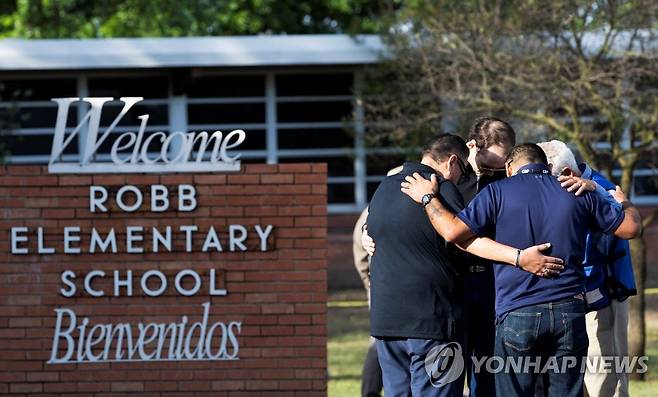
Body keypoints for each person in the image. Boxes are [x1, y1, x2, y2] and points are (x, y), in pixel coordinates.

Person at [399, 143, 642, 397]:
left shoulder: (496, 192)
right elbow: (631, 229)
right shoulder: (578, 191)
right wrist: (625, 203)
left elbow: (451, 232)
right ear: (548, 168)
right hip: (569, 310)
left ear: (509, 168)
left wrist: (428, 198)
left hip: (517, 310)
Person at [367, 135, 565, 397]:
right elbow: (466, 242)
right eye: (463, 169)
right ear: (452, 161)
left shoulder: (384, 187)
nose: (463, 178)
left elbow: (371, 232)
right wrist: (519, 258)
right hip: (432, 320)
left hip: (387, 322)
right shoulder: (443, 189)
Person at [538, 140, 636, 397]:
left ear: (568, 174)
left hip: (603, 295)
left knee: (603, 373)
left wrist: (596, 192)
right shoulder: (572, 185)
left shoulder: (600, 188)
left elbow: (629, 225)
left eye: (549, 180)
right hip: (572, 295)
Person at [353, 208, 384, 397]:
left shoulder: (375, 204)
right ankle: (370, 391)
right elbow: (360, 250)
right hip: (381, 287)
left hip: (380, 285)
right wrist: (370, 283)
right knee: (379, 342)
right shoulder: (375, 207)